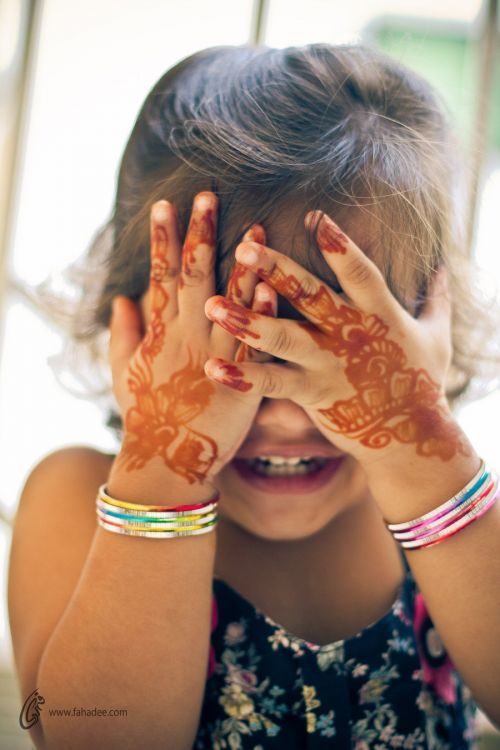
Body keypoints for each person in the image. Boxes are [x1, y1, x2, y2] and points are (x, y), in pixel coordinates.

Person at [7, 43, 500, 750]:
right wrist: (165, 471)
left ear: (428, 331)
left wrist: (421, 456)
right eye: (232, 353)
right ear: (136, 325)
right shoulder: (73, 498)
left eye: (342, 358)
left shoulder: (447, 512)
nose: (291, 413)